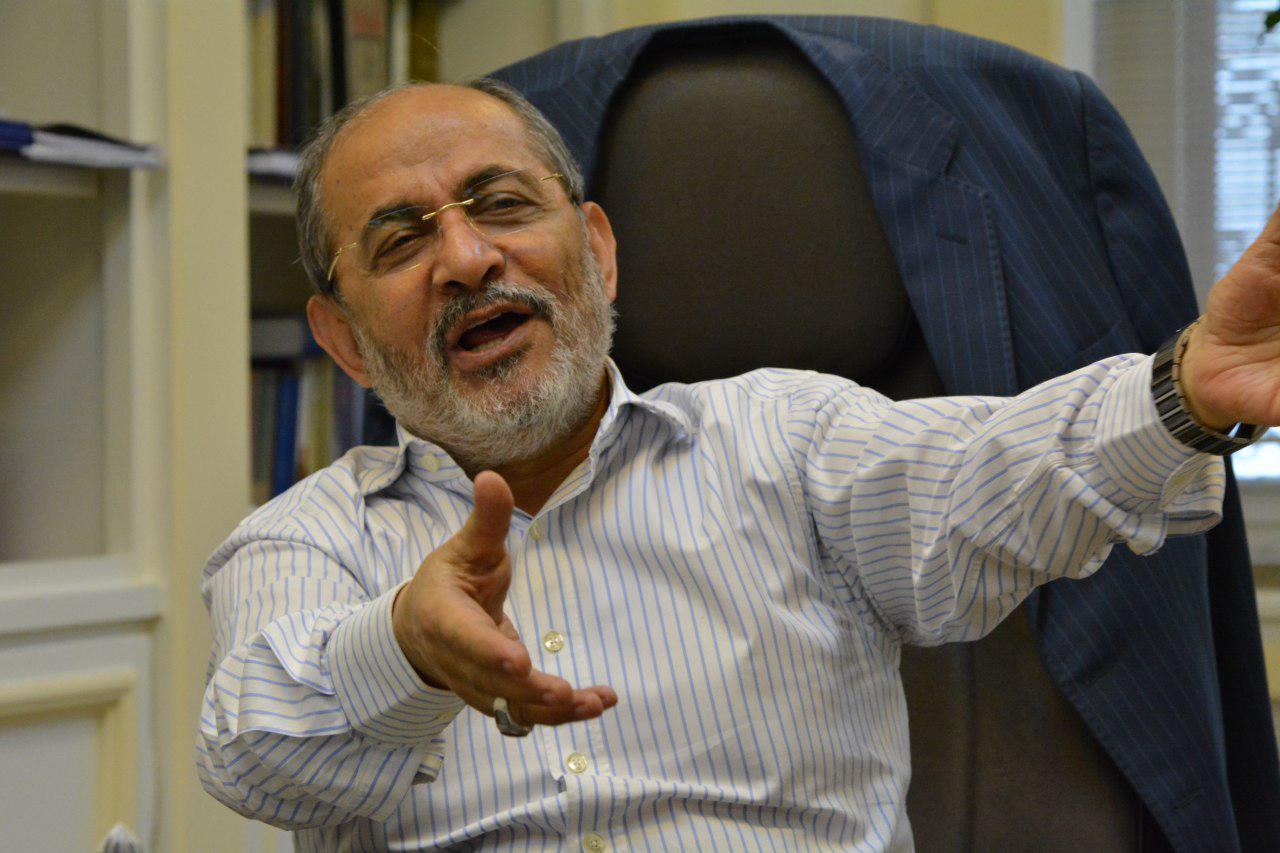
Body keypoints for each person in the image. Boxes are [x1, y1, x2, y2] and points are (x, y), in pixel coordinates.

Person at [198, 78, 1280, 850]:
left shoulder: (782, 440)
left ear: (598, 252)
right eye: (401, 242)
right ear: (343, 340)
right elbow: (250, 752)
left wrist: (1186, 391)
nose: (468, 259)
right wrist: (405, 649)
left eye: (503, 205)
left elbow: (993, 475)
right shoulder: (307, 537)